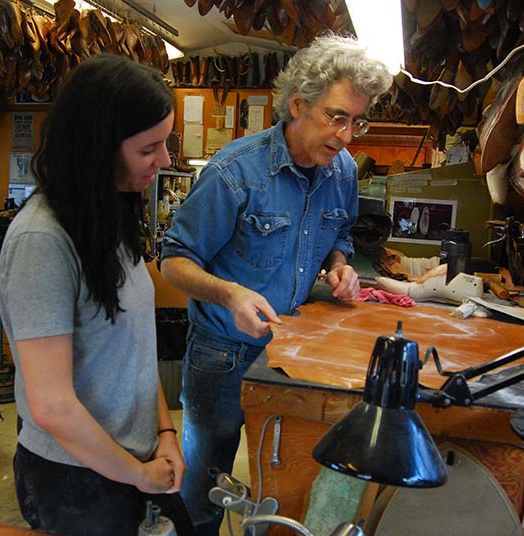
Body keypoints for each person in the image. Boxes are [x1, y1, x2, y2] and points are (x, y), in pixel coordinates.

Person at [160, 34, 393, 534]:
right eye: (336, 117)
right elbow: (173, 261)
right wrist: (230, 292)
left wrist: (338, 265)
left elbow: (342, 233)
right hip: (221, 352)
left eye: (357, 121)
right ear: (297, 105)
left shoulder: (343, 171)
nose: (348, 135)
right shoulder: (235, 173)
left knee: (283, 482)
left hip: (293, 350)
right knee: (205, 489)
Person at [0, 54, 194, 535]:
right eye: (149, 148)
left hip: (131, 462)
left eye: (165, 143)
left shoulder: (108, 219)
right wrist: (138, 474)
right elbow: (51, 406)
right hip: (76, 480)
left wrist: (165, 434)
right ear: (98, 148)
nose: (164, 161)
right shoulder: (42, 241)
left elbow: (133, 353)